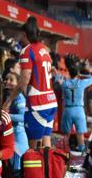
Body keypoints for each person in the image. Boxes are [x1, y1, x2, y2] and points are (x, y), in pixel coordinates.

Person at [4, 17, 57, 149]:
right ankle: (46, 169)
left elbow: (24, 81)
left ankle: (33, 170)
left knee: (33, 150)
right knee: (46, 145)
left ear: (24, 34)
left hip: (37, 104)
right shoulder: (44, 49)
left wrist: (9, 100)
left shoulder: (27, 51)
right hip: (51, 101)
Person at [60, 64, 92, 152]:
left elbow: (58, 80)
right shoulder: (81, 83)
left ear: (69, 73)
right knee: (80, 134)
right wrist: (85, 75)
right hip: (79, 110)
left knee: (66, 135)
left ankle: (64, 152)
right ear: (77, 74)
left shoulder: (65, 84)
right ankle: (82, 153)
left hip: (68, 110)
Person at [4, 71, 28, 178]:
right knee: (11, 171)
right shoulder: (7, 98)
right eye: (6, 79)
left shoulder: (19, 98)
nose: (7, 82)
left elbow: (23, 117)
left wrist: (6, 115)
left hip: (19, 141)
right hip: (11, 139)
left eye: (11, 80)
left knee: (17, 171)